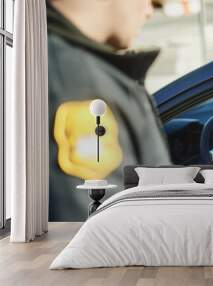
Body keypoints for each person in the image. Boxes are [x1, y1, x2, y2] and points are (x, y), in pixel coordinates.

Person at [47, 0, 171, 221]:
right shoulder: (77, 84)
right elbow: (94, 231)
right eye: (154, 1)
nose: (151, 11)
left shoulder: (80, 71)